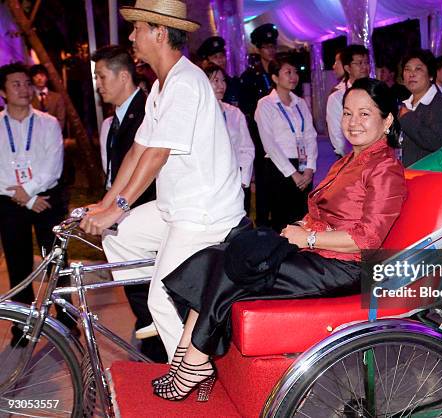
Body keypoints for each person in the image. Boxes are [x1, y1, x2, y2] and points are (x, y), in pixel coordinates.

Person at [151, 77, 407, 402]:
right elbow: (324, 213)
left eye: (364, 114)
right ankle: (188, 358)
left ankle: (195, 360)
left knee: (236, 267)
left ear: (386, 120)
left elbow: (368, 239)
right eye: (347, 113)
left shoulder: (384, 169)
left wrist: (309, 238)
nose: (353, 122)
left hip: (344, 268)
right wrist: (299, 228)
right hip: (317, 253)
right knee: (217, 254)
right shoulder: (347, 161)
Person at [79, 0, 246, 360]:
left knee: (161, 295)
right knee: (120, 235)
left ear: (159, 32)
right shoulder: (160, 86)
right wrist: (107, 204)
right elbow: (138, 149)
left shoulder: (186, 82)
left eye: (136, 28)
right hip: (177, 207)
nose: (131, 35)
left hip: (205, 212)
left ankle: (189, 371)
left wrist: (119, 206)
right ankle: (179, 306)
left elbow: (158, 155)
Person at [92, 45, 165, 362]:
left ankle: (159, 344)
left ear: (123, 76)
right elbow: (117, 171)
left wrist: (116, 208)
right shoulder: (113, 122)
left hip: (146, 211)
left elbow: (147, 165)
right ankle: (151, 333)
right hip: (122, 211)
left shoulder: (146, 110)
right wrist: (103, 205)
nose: (98, 84)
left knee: (150, 286)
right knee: (138, 287)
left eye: (102, 76)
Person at [0, 62, 76, 346]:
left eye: (26, 83)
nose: (24, 89)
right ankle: (23, 327)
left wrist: (29, 194)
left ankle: (67, 321)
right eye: (15, 84)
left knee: (56, 260)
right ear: (3, 92)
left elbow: (52, 166)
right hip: (9, 202)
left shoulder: (47, 122)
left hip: (47, 200)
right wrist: (24, 197)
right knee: (18, 264)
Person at [254, 56, 318, 231]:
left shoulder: (301, 103)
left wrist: (309, 168)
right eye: (287, 72)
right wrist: (293, 174)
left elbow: (310, 136)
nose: (293, 76)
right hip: (279, 168)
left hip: (303, 166)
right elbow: (269, 144)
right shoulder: (265, 105)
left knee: (303, 219)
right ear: (275, 78)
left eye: (295, 72)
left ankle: (302, 256)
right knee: (282, 221)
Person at [239, 23, 279, 227]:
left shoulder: (281, 71)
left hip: (279, 134)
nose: (270, 50)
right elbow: (246, 109)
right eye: (266, 47)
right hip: (258, 135)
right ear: (258, 48)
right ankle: (263, 222)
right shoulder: (250, 77)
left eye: (273, 46)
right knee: (262, 177)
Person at [203, 63, 255, 213]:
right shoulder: (197, 114)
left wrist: (243, 180)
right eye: (215, 80)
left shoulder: (234, 113)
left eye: (223, 80)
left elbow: (246, 148)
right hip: (210, 185)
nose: (221, 85)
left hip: (235, 181)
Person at [399, 49, 442, 166]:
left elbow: (436, 141)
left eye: (418, 69)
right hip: (405, 175)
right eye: (407, 69)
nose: (411, 74)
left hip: (431, 176)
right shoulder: (404, 105)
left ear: (431, 76)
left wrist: (407, 118)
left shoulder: (441, 105)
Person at [326, 44, 370, 157]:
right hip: (350, 156)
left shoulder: (376, 91)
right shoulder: (337, 97)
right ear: (347, 68)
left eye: (366, 62)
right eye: (359, 63)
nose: (364, 67)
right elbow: (337, 135)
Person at [196, 36, 239, 106]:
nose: (220, 60)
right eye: (215, 57)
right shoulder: (201, 86)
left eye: (222, 56)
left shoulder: (234, 83)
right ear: (205, 62)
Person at [29, 64, 66, 131]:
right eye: (36, 76)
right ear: (32, 78)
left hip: (53, 134)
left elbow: (61, 120)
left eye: (42, 75)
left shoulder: (57, 98)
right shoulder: (28, 97)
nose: (39, 79)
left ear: (47, 77)